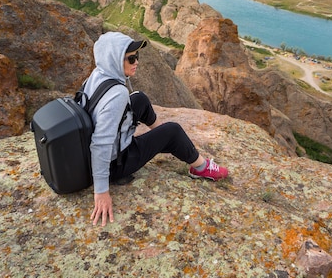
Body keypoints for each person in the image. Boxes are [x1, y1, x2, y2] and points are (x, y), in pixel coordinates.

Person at [82, 31, 228, 226]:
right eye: (131, 58)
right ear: (114, 60)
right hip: (116, 163)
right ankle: (201, 168)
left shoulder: (98, 74)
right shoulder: (116, 94)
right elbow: (101, 144)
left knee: (139, 98)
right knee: (173, 130)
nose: (137, 62)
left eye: (137, 57)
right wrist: (101, 192)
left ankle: (163, 140)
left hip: (99, 149)